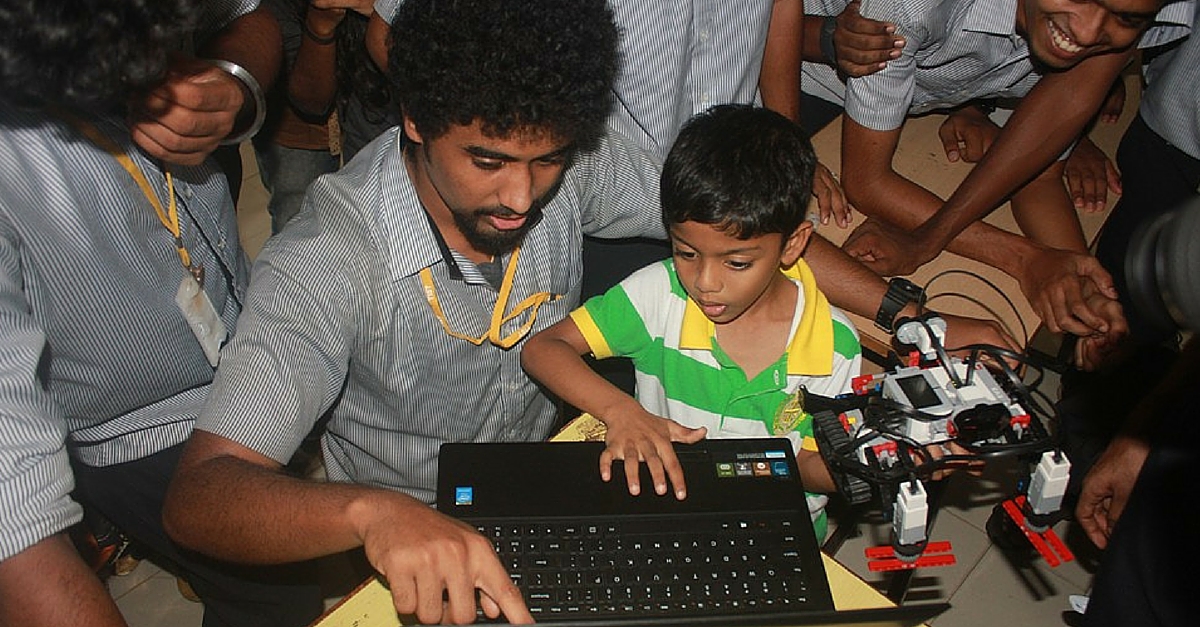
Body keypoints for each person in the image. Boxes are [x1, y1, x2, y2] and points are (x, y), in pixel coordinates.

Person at [163, 0, 664, 623]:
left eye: (548, 161)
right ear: (417, 119)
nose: (522, 197)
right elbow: (202, 495)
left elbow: (713, 205)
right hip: (412, 539)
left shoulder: (559, 152)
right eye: (487, 161)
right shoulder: (328, 257)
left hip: (545, 490)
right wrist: (375, 515)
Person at [0, 1, 327, 626]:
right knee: (273, 596)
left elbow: (249, 11)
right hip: (141, 433)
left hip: (247, 350)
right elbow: (17, 528)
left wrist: (234, 80)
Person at [522, 105, 861, 541]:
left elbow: (810, 470)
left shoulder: (836, 348)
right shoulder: (661, 295)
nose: (704, 283)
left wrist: (859, 467)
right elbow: (543, 349)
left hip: (772, 531)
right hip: (660, 513)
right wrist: (621, 411)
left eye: (737, 262)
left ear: (793, 243)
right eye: (686, 253)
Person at [800, 0, 1191, 354]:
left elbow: (1037, 179)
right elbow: (868, 182)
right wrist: (1026, 259)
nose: (1089, 31)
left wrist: (1081, 288)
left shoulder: (1107, 20)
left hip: (921, 100)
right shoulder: (915, 7)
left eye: (1125, 18)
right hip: (817, 90)